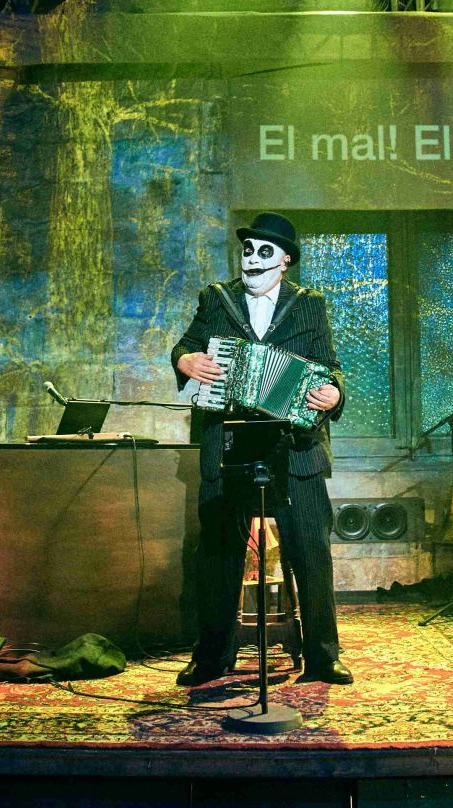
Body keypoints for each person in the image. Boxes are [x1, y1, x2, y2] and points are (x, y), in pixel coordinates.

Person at [171, 212, 350, 686]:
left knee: (311, 551)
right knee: (218, 553)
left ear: (285, 260)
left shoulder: (309, 305)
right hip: (229, 442)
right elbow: (185, 347)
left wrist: (334, 394)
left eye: (263, 251)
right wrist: (187, 362)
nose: (252, 259)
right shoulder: (217, 298)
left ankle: (323, 656)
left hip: (294, 446)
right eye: (247, 250)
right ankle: (212, 655)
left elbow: (330, 367)